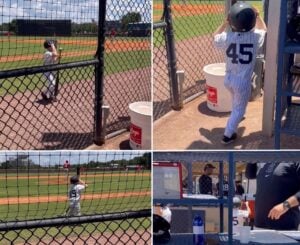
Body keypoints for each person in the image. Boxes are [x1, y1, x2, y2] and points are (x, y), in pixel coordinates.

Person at [213, 2, 267, 144]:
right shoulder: (255, 38)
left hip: (228, 79)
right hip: (242, 82)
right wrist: (258, 16)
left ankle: (236, 115)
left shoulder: (227, 37)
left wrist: (226, 23)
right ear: (252, 23)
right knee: (239, 109)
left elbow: (215, 35)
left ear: (232, 23)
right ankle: (228, 135)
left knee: (235, 101)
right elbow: (264, 29)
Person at [245, 162, 300, 230]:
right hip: (259, 226)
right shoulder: (265, 161)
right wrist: (252, 156)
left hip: (284, 228)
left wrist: (285, 205)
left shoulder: (294, 158)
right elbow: (249, 175)